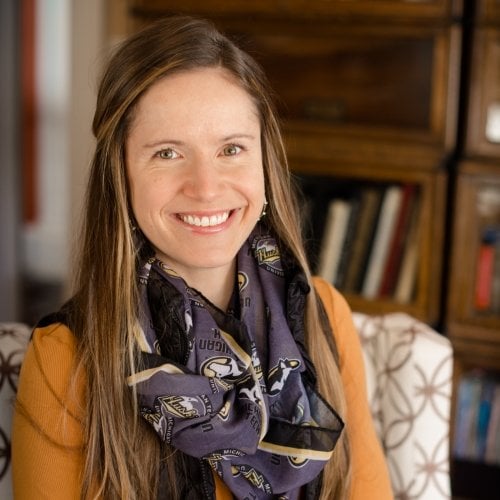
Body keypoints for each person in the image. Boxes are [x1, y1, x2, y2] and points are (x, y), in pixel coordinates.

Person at [12, 15, 392, 500]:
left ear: (264, 164)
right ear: (121, 177)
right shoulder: (65, 359)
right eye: (167, 153)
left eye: (231, 148)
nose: (207, 187)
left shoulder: (325, 318)